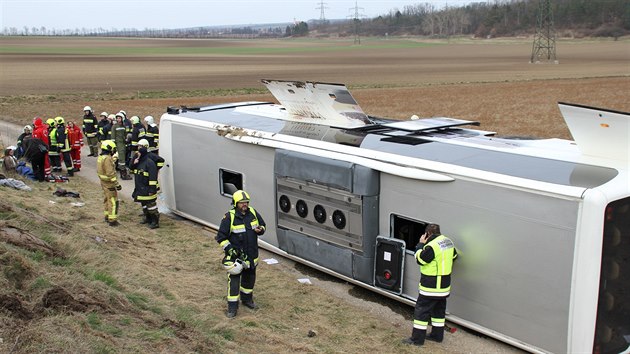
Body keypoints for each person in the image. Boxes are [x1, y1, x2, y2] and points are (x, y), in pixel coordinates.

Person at [403, 223, 458, 346]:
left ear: (427, 234)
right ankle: (437, 336)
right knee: (438, 312)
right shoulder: (448, 242)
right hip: (444, 286)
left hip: (430, 287)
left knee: (421, 313)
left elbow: (420, 259)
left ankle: (416, 340)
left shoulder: (431, 246)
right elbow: (454, 256)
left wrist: (420, 244)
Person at [215, 190, 267, 318]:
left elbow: (263, 225)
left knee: (249, 280)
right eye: (241, 203)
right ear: (235, 203)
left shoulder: (253, 213)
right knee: (234, 282)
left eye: (246, 202)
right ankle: (232, 307)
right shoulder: (229, 217)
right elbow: (221, 237)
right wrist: (230, 250)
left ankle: (247, 300)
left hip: (251, 255)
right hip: (236, 258)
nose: (244, 204)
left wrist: (261, 230)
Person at [129, 138, 159, 229]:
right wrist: (134, 163)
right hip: (140, 187)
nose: (137, 153)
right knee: (144, 204)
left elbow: (153, 178)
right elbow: (131, 168)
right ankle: (147, 218)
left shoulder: (150, 163)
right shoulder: (138, 160)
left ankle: (155, 221)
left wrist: (152, 190)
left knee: (151, 206)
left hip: (148, 188)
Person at [97, 140, 121, 227]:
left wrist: (113, 159)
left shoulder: (102, 157)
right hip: (109, 183)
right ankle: (112, 220)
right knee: (113, 201)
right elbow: (110, 173)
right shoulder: (107, 159)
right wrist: (117, 184)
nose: (113, 150)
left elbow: (106, 165)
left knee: (107, 199)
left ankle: (107, 216)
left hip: (104, 182)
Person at [111, 114, 132, 180]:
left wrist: (126, 139)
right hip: (119, 144)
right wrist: (114, 146)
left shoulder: (124, 126)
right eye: (117, 118)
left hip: (123, 144)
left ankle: (122, 173)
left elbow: (125, 134)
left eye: (119, 118)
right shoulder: (114, 126)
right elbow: (113, 137)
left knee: (122, 159)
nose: (118, 119)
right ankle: (123, 174)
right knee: (122, 159)